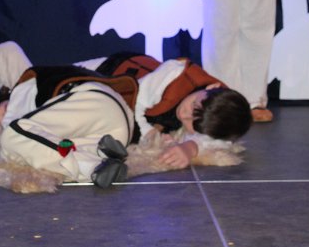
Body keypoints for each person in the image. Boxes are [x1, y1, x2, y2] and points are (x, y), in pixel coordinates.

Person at [77, 53, 251, 170]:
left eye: (192, 123)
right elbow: (132, 103)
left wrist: (191, 148)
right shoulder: (172, 77)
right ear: (212, 87)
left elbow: (223, 142)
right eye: (192, 106)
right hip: (94, 74)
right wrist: (150, 133)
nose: (184, 115)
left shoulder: (217, 109)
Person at [0, 65, 138, 188]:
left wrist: (5, 140)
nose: (5, 116)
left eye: (0, 109)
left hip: (95, 100)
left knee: (12, 136)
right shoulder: (48, 119)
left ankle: (91, 166)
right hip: (120, 128)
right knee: (56, 145)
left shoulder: (23, 87)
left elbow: (13, 126)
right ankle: (100, 153)